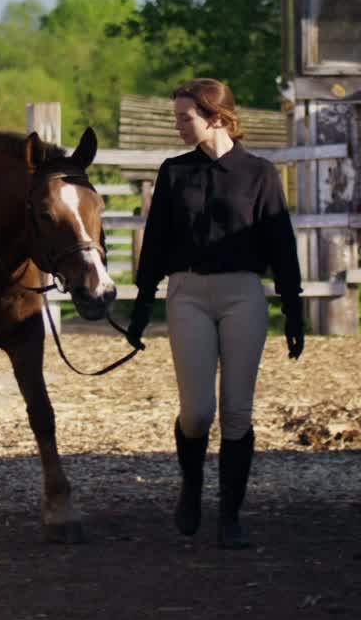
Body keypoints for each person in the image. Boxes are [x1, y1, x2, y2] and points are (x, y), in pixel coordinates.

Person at [126, 78, 304, 548]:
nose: (178, 126)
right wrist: (142, 306)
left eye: (186, 118)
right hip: (186, 293)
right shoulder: (173, 173)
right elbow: (156, 243)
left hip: (243, 293)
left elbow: (281, 244)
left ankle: (230, 515)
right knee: (198, 411)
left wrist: (294, 310)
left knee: (237, 412)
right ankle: (191, 486)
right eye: (177, 117)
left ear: (217, 118)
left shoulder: (261, 174)